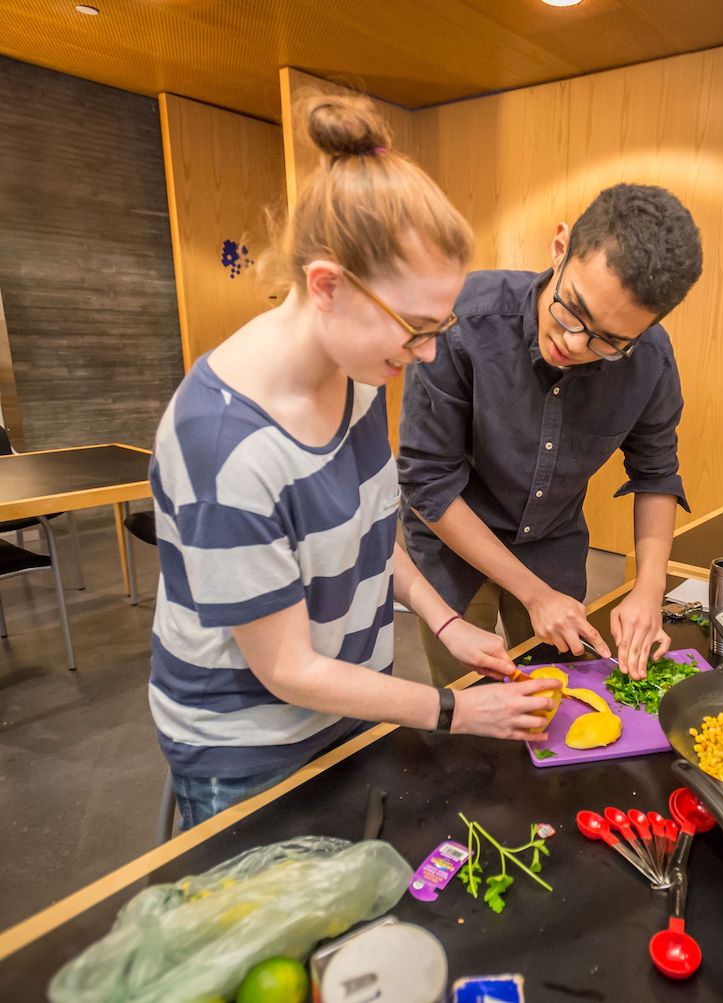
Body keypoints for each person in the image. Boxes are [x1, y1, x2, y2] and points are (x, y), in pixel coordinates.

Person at [148, 89, 558, 829]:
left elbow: (373, 534)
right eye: (416, 327)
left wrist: (444, 622)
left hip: (347, 702)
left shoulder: (359, 374)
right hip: (251, 747)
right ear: (327, 286)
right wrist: (453, 708)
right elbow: (287, 668)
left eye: (443, 325)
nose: (429, 352)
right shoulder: (225, 448)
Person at [398, 183, 702, 685]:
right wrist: (533, 594)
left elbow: (657, 473)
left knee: (556, 690)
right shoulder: (463, 320)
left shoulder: (649, 359)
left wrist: (649, 588)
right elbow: (427, 482)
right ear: (560, 248)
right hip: (452, 541)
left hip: (552, 545)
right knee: (468, 700)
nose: (575, 343)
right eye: (572, 310)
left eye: (609, 341)